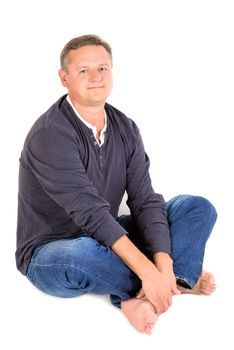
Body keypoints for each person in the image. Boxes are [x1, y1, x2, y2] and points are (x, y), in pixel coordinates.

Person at [15, 34, 217, 335]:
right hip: (51, 250)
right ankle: (167, 282)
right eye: (84, 70)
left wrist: (162, 264)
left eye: (103, 68)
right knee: (82, 253)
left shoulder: (125, 128)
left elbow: (144, 200)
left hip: (108, 231)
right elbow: (90, 213)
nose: (96, 77)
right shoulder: (50, 135)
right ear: (64, 78)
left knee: (196, 207)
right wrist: (147, 269)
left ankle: (172, 279)